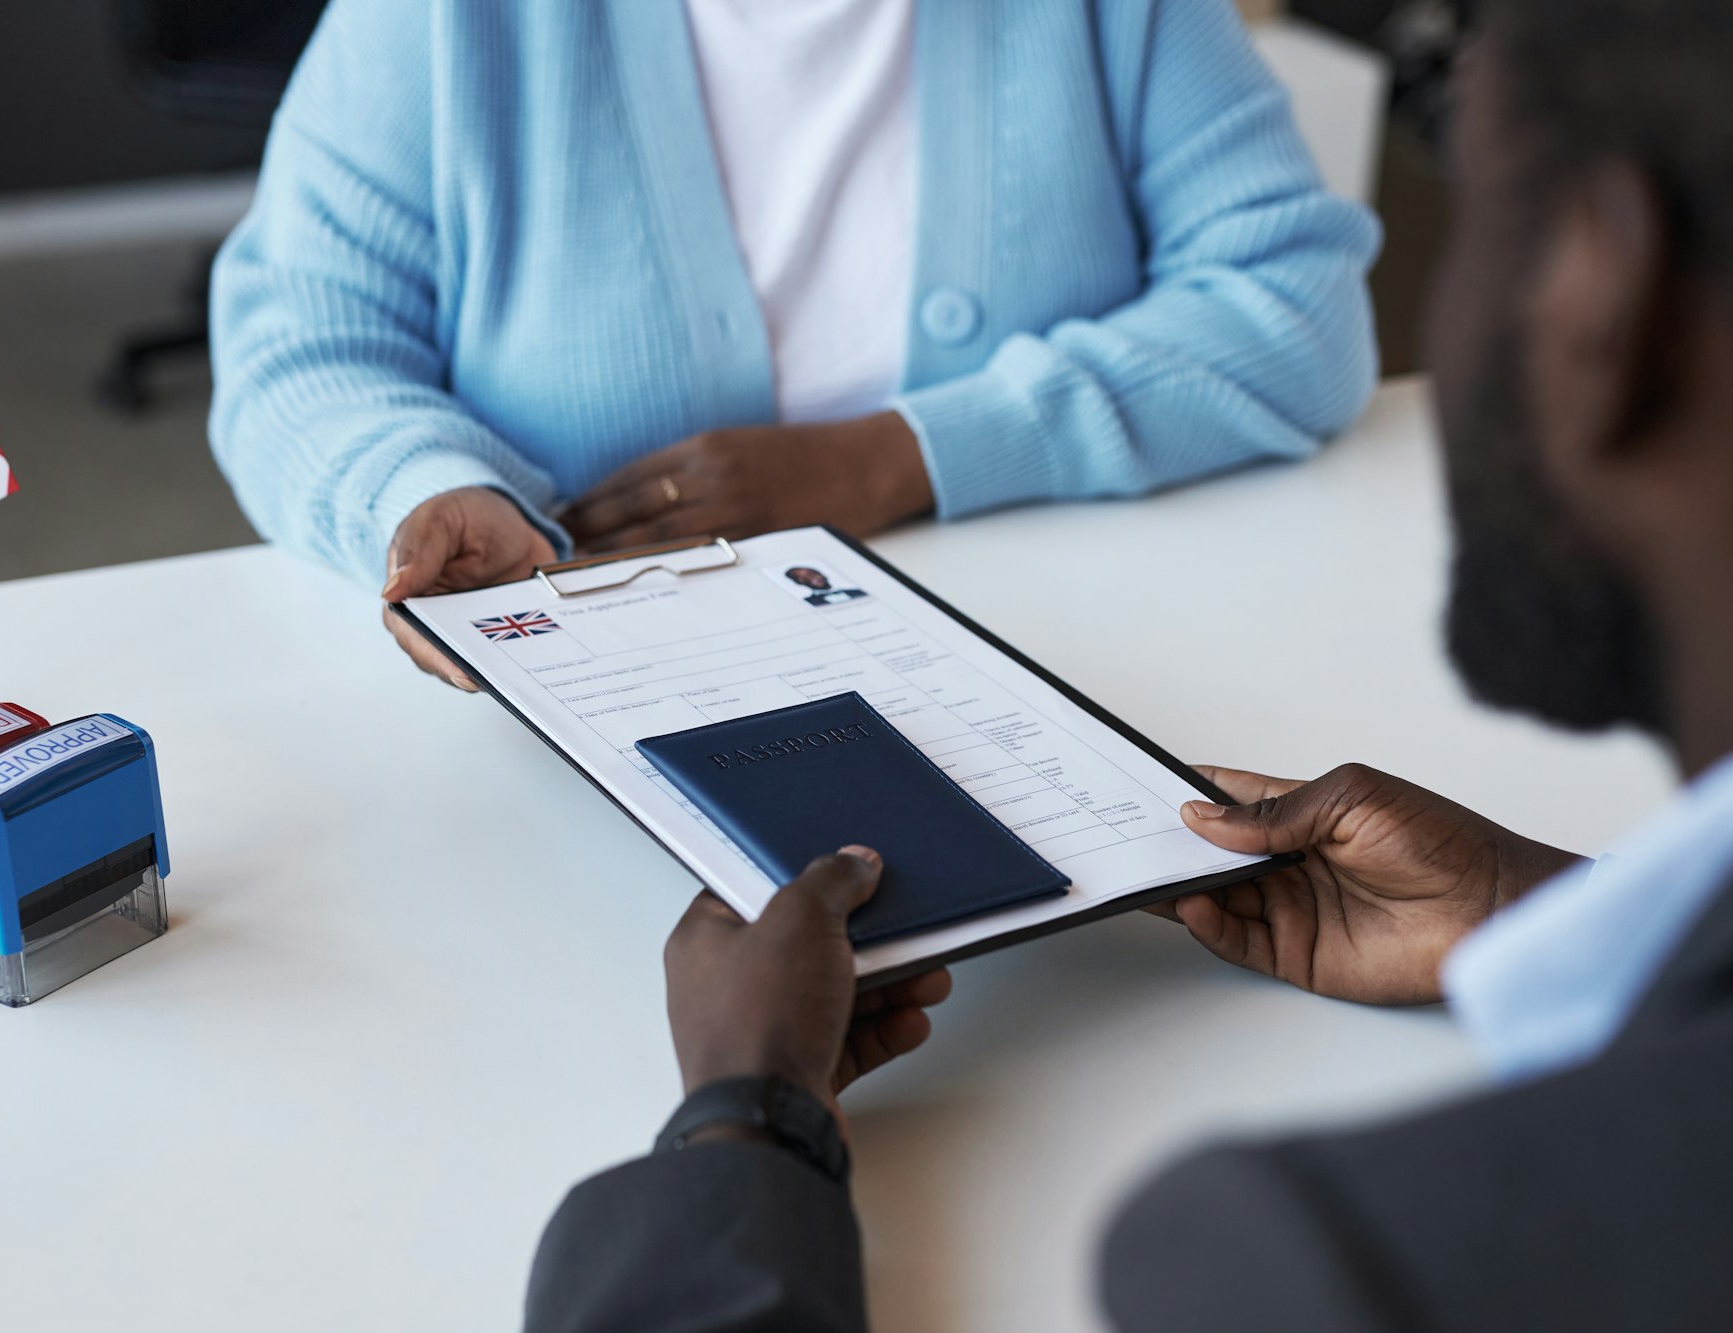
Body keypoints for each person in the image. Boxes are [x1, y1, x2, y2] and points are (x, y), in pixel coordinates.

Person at [521, 1, 1733, 1327]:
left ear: (1600, 295)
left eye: (1478, 213)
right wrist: (1547, 915)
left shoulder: (1343, 1267)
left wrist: (745, 1115)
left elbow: (1291, 309)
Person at [207, 0, 1380, 692]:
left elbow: (1294, 309)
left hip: (1100, 669)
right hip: (596, 699)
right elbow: (297, 349)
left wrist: (890, 459)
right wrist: (425, 487)